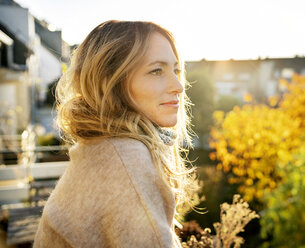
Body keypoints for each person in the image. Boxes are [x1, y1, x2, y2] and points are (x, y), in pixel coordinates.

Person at [33, 20, 200, 248]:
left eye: (176, 70)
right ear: (111, 83)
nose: (178, 86)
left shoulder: (105, 148)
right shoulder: (124, 158)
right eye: (156, 71)